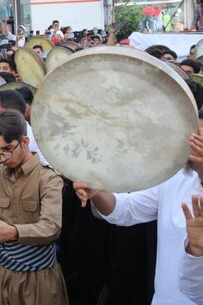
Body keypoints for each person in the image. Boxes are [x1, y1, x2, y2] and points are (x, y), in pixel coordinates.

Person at [73, 122, 203, 304]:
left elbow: (195, 292)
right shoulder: (176, 177)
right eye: (193, 138)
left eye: (199, 142)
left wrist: (196, 252)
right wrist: (97, 193)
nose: (192, 146)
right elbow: (127, 209)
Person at [0, 110, 68, 304]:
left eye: (8, 149)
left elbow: (51, 227)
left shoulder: (48, 178)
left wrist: (12, 232)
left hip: (40, 277)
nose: (3, 157)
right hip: (5, 274)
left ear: (25, 142)